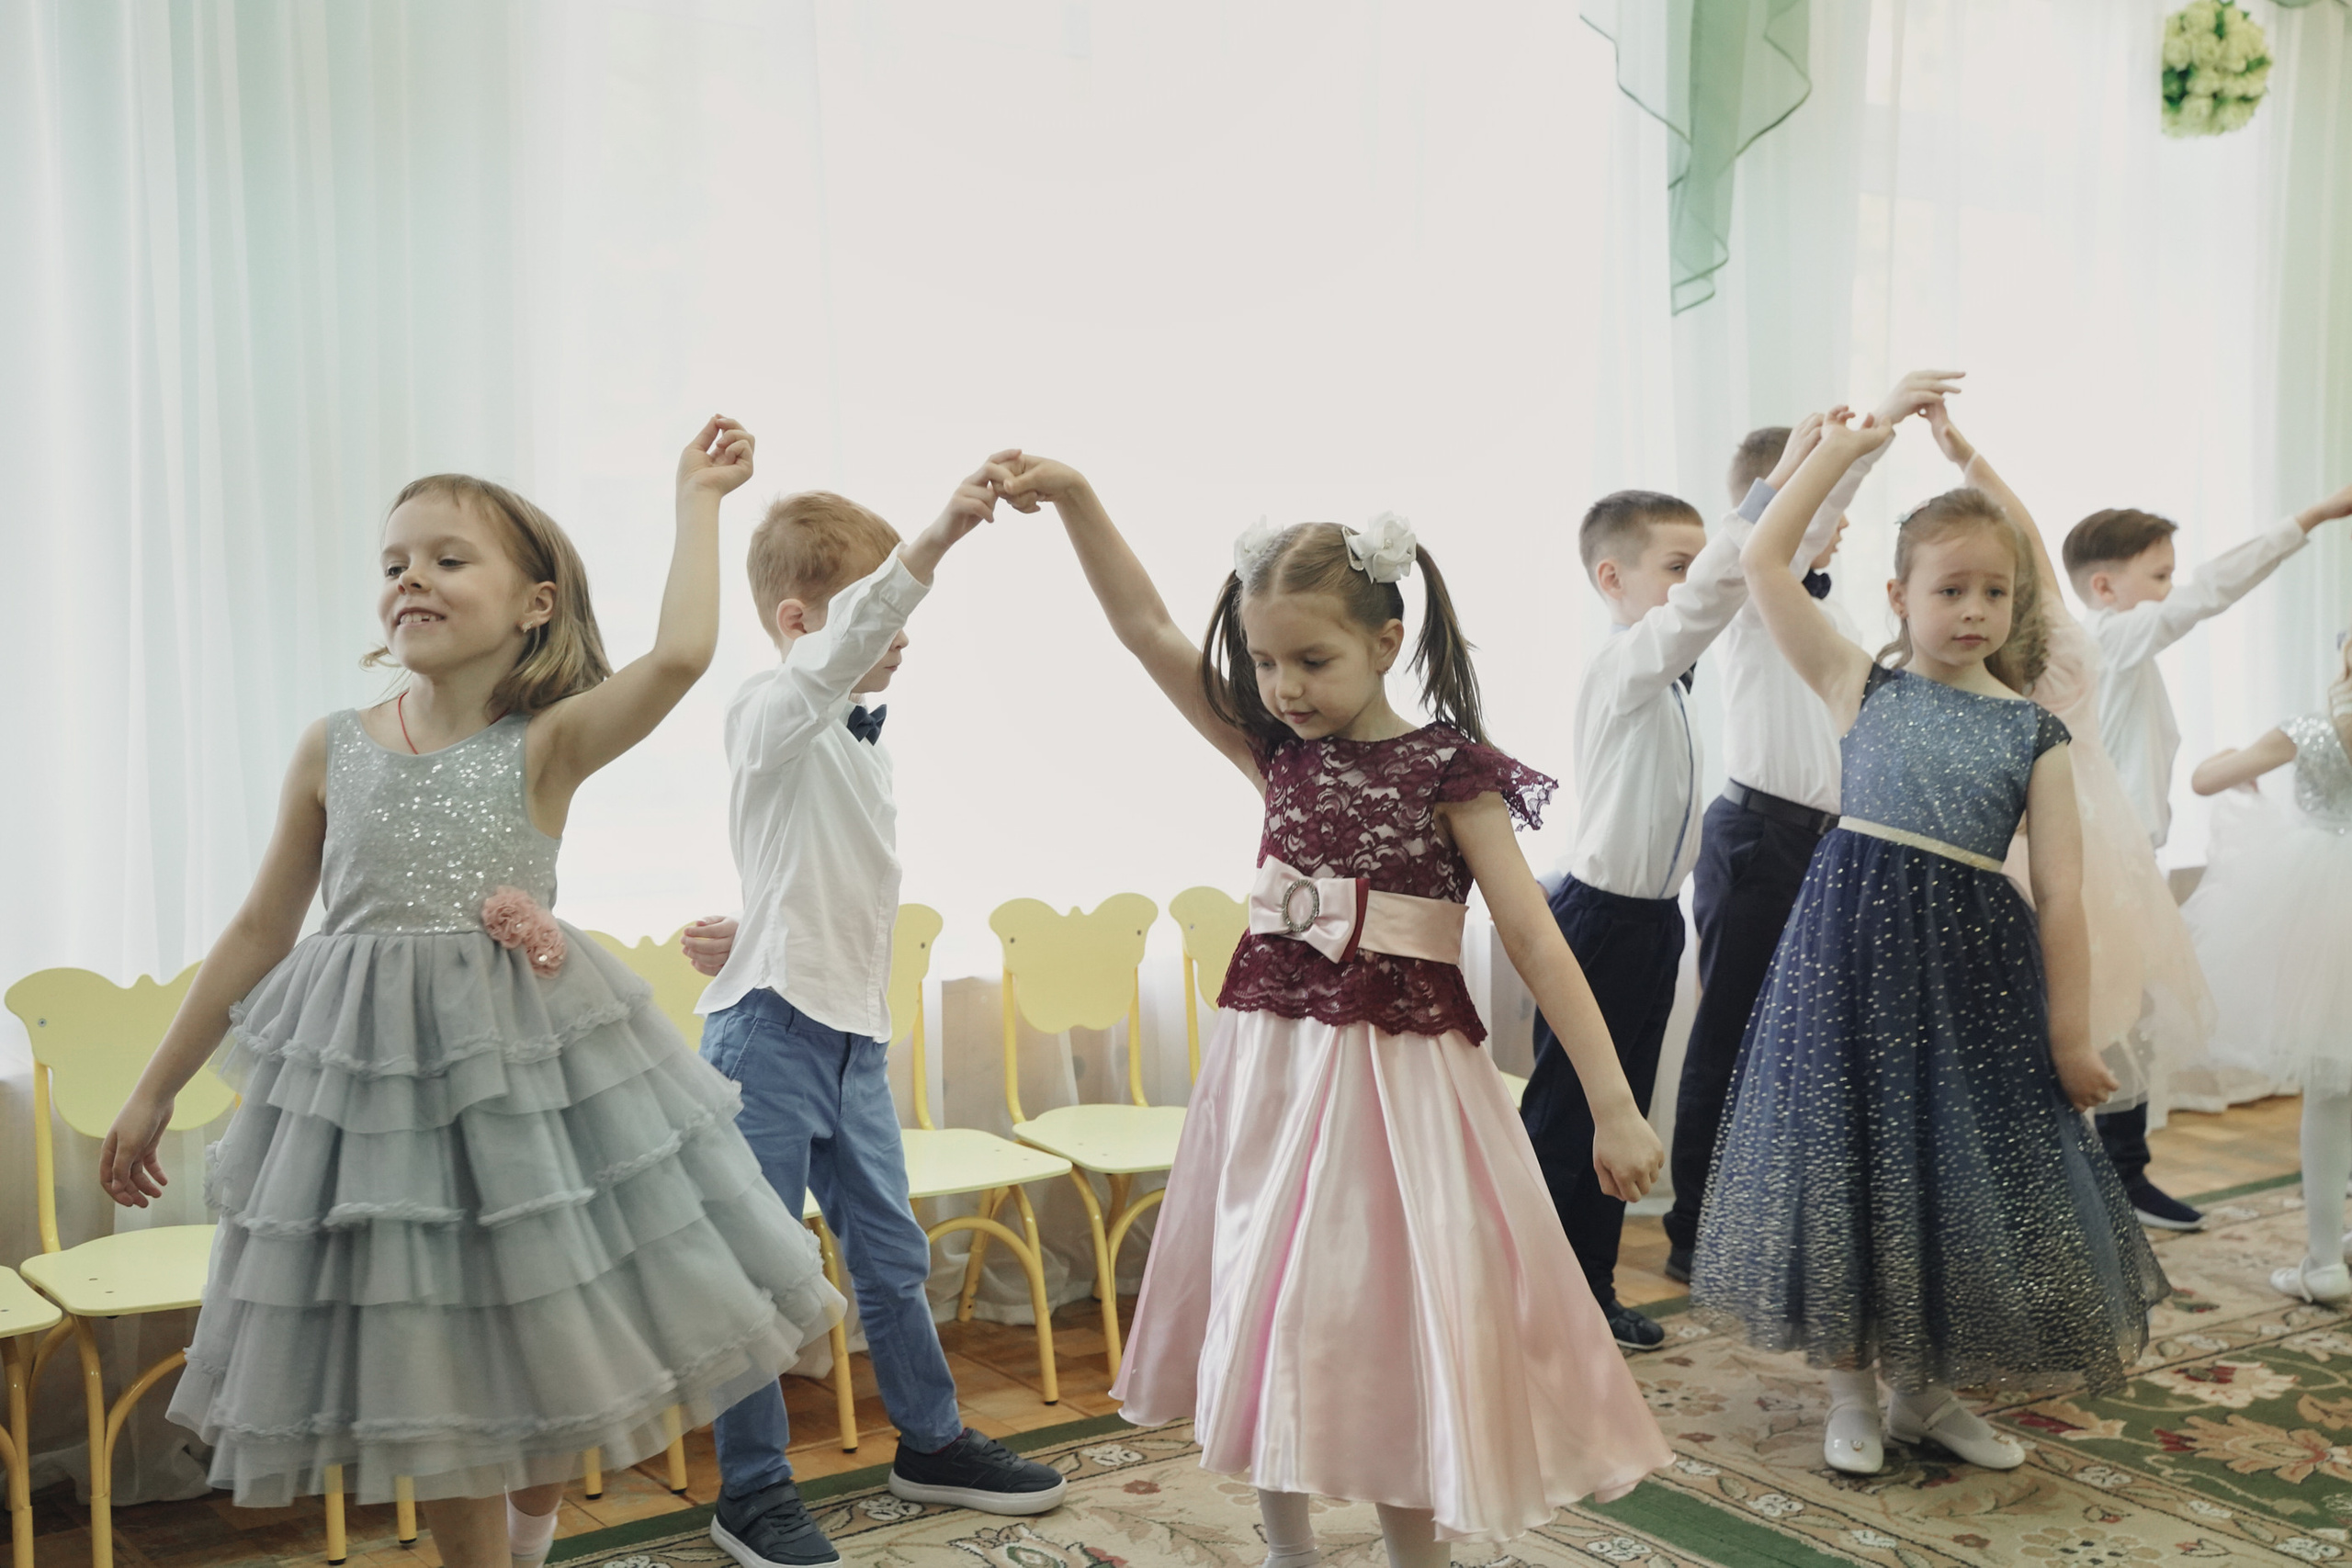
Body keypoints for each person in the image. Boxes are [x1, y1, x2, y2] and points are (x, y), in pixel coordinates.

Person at [98, 421, 847, 1568]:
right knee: (436, 1365)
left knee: (543, 1347)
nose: (411, 580)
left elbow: (680, 659)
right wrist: (155, 1091)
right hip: (372, 1096)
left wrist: (696, 499)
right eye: (394, 563)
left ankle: (531, 1534)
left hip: (521, 1082)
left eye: (449, 559)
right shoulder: (330, 747)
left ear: (534, 604)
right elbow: (260, 928)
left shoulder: (543, 742)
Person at [997, 458, 1671, 1563]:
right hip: (1271, 1061)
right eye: (1263, 662)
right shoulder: (1274, 754)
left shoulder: (1450, 771)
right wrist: (1076, 497)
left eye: (1310, 660)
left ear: (1386, 639)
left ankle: (1418, 1543)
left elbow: (1536, 942)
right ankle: (1288, 1546)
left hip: (1398, 1080)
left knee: (1393, 1308)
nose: (1284, 687)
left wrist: (1612, 1104)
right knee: (1272, 1295)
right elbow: (1142, 626)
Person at [1691, 411, 2167, 1480]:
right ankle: (1850, 1389)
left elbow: (2062, 895)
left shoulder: (2029, 732)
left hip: (1971, 981)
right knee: (1850, 1163)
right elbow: (1765, 553)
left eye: (1993, 591)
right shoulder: (1859, 683)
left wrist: (2072, 1035)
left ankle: (1925, 1391)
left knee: (1951, 1177)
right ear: (1898, 596)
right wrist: (1842, 450)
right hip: (1846, 965)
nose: (1972, 609)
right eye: (1947, 589)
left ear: (2018, 602)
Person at [689, 462, 1069, 1568]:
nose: (896, 632)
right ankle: (749, 1493)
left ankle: (932, 1441)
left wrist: (746, 916)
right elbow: (797, 732)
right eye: (868, 612)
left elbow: (805, 867)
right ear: (802, 622)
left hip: (853, 1035)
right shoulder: (772, 707)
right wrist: (941, 534)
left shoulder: (858, 733)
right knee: (760, 1275)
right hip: (766, 1036)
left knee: (891, 1258)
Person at [1660, 370, 1952, 1284]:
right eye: (1820, 504)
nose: (1842, 521)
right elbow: (1798, 511)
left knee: (1809, 1039)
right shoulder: (1754, 588)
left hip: (1833, 843)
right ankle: (1693, 1232)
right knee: (1730, 1034)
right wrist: (1871, 436)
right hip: (1760, 838)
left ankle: (1782, 1215)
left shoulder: (1824, 603)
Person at [2062, 479, 2352, 1227]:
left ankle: (2121, 1175)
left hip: (2127, 863)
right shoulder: (2111, 636)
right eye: (2157, 576)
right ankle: (2105, 1179)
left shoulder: (2120, 653)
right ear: (2105, 585)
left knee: (2137, 1022)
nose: (2172, 589)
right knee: (2119, 1023)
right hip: (2106, 868)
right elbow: (2211, 591)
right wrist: (2311, 514)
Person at [2181, 633, 2352, 1304]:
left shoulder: (2311, 727)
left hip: (2327, 900)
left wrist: (2232, 757)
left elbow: (2204, 779)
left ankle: (2321, 1260)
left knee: (2332, 1086)